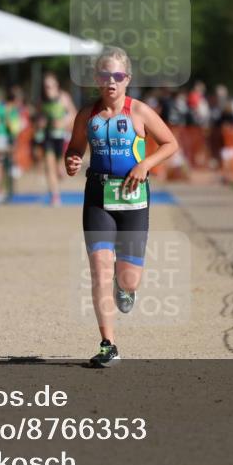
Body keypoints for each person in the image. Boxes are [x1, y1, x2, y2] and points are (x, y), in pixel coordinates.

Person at [64, 46, 179, 367]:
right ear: (96, 80)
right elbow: (74, 147)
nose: (110, 82)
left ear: (127, 79)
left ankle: (125, 286)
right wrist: (71, 160)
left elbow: (171, 143)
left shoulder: (139, 112)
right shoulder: (87, 115)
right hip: (98, 197)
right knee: (99, 270)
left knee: (127, 280)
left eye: (117, 76)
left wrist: (146, 165)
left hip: (132, 199)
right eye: (104, 76)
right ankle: (108, 344)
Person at [36, 72, 77, 206]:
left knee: (60, 167)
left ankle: (60, 168)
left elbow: (73, 114)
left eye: (50, 86)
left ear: (56, 86)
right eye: (46, 86)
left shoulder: (63, 98)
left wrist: (63, 122)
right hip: (48, 136)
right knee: (49, 165)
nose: (48, 89)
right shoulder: (42, 101)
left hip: (62, 137)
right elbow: (38, 117)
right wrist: (41, 122)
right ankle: (55, 196)